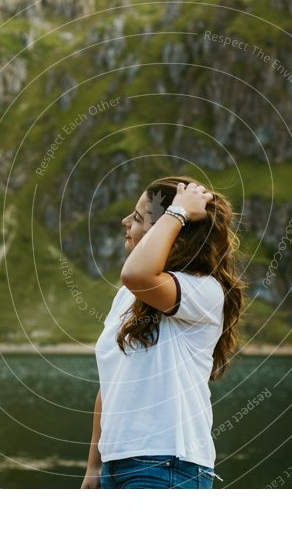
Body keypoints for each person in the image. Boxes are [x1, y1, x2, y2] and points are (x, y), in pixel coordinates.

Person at [80, 176, 245, 489]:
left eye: (139, 218)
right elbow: (112, 382)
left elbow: (136, 272)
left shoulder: (204, 291)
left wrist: (178, 211)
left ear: (171, 230)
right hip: (117, 465)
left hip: (168, 464)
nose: (125, 221)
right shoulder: (128, 296)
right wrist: (94, 466)